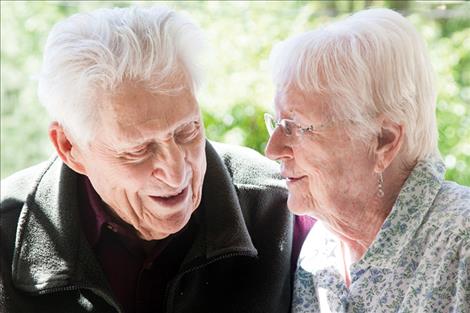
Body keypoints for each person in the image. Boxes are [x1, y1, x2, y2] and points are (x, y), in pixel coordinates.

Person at [0, 6, 313, 313]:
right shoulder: (5, 236)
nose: (177, 173)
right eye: (138, 149)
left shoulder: (279, 206)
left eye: (187, 131)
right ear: (70, 147)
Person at [264, 8, 470, 313]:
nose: (273, 148)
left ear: (383, 141)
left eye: (295, 126)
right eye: (278, 124)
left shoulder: (461, 242)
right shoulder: (319, 251)